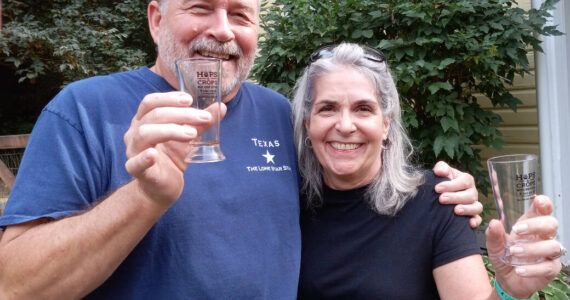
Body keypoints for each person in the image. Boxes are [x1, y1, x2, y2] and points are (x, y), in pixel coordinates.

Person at [0, 1, 481, 299]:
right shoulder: (84, 109)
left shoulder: (278, 113)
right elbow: (15, 285)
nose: (224, 30)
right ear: (155, 19)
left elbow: (351, 182)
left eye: (240, 14)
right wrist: (142, 197)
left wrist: (444, 197)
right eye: (201, 7)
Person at [292, 42, 564, 299]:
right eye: (327, 109)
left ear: (386, 124)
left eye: (363, 109)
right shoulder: (286, 204)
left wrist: (509, 291)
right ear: (307, 123)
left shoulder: (438, 200)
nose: (346, 125)